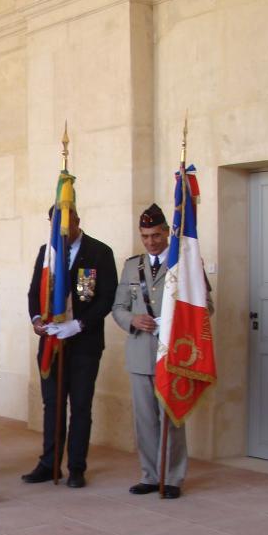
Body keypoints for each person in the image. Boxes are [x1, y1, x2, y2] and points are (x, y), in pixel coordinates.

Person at [23, 203, 118, 488]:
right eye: (55, 225)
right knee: (52, 405)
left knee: (80, 407)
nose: (61, 231)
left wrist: (78, 325)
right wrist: (37, 319)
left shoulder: (100, 252)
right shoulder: (47, 252)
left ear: (77, 219)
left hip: (84, 344)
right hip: (52, 343)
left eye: (65, 223)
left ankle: (76, 466)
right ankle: (49, 462)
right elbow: (33, 293)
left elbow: (106, 298)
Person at [111, 203, 193, 498]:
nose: (150, 242)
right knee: (144, 419)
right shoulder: (132, 265)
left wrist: (174, 322)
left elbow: (204, 307)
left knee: (171, 417)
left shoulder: (184, 263)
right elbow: (118, 307)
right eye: (145, 236)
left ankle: (172, 477)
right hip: (139, 353)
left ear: (167, 232)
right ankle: (149, 474)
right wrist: (133, 319)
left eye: (155, 235)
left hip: (172, 353)